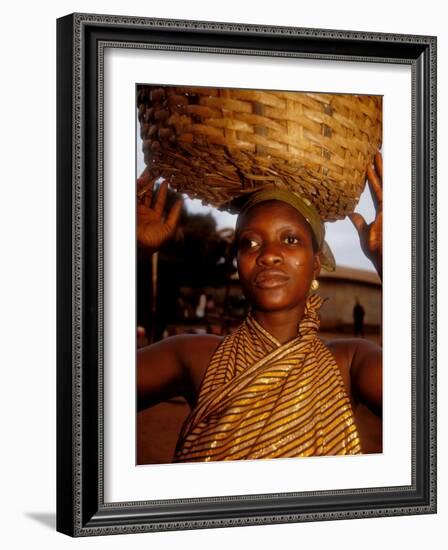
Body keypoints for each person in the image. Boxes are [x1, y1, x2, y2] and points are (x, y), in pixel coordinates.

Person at [137, 153, 383, 461]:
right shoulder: (193, 356)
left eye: (290, 240)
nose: (268, 255)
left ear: (316, 262)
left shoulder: (350, 363)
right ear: (238, 261)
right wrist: (126, 251)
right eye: (250, 243)